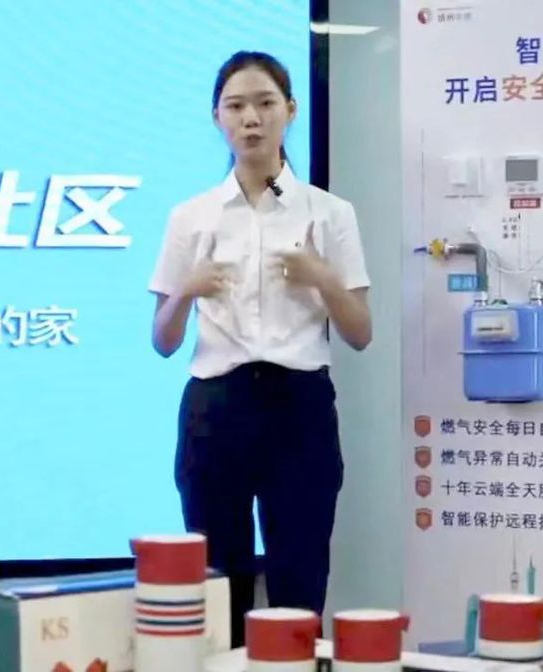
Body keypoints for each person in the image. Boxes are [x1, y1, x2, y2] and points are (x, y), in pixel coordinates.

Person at [148, 50, 371, 647]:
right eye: (236, 106)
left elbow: (360, 332)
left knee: (300, 574)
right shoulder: (191, 216)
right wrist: (186, 290)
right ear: (217, 117)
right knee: (217, 580)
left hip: (298, 407)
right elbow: (163, 340)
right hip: (215, 407)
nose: (251, 118)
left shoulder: (329, 213)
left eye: (265, 103)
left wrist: (322, 277)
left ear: (290, 111)